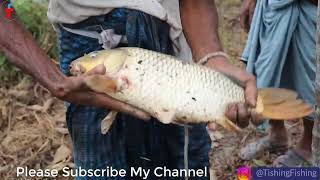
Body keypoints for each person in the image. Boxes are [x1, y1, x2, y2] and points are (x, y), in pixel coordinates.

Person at [0, 0, 257, 179]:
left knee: (182, 166)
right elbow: (6, 9)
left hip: (172, 56)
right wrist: (52, 78)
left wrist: (211, 56)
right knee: (102, 169)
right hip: (91, 53)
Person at [239, 0, 318, 166]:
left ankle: (308, 145)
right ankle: (277, 134)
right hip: (272, 6)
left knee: (308, 76)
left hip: (311, 6)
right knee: (271, 68)